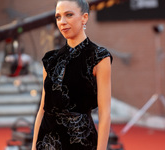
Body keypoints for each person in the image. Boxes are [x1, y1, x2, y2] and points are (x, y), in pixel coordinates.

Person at [31, 0, 112, 149]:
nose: (62, 22)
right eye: (58, 17)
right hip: (47, 142)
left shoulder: (99, 56)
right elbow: (43, 109)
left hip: (81, 142)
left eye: (69, 15)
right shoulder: (50, 59)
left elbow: (105, 112)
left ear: (84, 17)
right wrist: (34, 147)